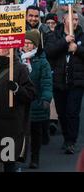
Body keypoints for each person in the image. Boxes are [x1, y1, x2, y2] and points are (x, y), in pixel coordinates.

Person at [44, 10, 84, 154]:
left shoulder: (82, 35)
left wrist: (77, 49)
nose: (75, 22)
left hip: (76, 81)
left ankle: (71, 141)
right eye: (71, 19)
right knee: (62, 113)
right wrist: (65, 41)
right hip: (59, 81)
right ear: (64, 19)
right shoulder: (53, 35)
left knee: (73, 112)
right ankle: (67, 137)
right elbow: (49, 51)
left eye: (76, 19)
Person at [21, 30, 52, 169]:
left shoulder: (42, 62)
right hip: (20, 102)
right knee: (20, 132)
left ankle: (35, 158)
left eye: (30, 43)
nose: (26, 46)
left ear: (35, 45)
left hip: (36, 100)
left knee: (35, 132)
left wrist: (46, 98)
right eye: (25, 43)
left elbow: (46, 81)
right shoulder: (16, 58)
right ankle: (20, 156)